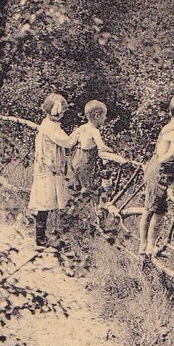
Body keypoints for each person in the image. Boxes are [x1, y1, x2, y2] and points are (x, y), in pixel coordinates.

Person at [138, 92, 174, 257]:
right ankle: (150, 246)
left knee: (148, 209)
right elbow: (171, 153)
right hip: (160, 172)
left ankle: (143, 245)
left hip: (153, 167)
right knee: (158, 211)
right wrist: (163, 163)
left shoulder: (166, 127)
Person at [28, 93, 77, 247]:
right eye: (60, 112)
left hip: (50, 168)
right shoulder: (50, 128)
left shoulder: (49, 125)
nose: (62, 115)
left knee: (50, 203)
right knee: (46, 203)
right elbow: (67, 142)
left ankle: (47, 237)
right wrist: (80, 133)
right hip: (49, 169)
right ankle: (41, 238)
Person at [70, 99, 112, 194]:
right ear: (97, 116)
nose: (105, 118)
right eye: (104, 115)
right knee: (86, 187)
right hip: (86, 160)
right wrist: (111, 151)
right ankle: (87, 204)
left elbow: (71, 141)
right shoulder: (94, 131)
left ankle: (77, 203)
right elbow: (101, 146)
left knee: (77, 184)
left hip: (76, 157)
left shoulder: (82, 128)